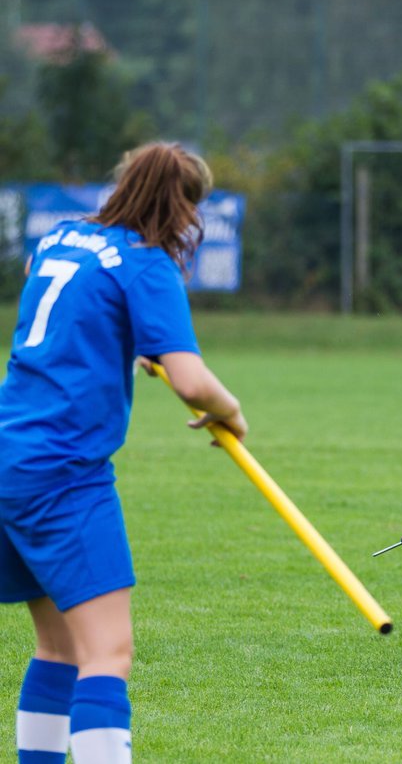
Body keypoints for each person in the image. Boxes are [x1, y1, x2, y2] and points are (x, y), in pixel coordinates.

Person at [0, 143, 247, 763]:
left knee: (58, 647)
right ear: (184, 206)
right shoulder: (147, 263)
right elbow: (191, 381)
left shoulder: (60, 238)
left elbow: (67, 314)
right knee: (107, 654)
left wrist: (126, 339)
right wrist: (230, 411)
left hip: (11, 456)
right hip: (63, 473)